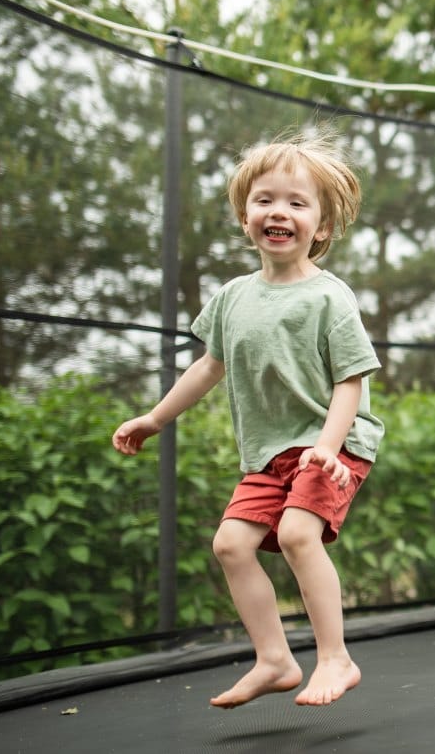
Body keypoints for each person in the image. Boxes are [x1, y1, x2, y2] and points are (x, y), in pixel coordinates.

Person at [112, 130, 384, 708]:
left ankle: (336, 658)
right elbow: (208, 367)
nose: (278, 212)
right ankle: (274, 659)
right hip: (269, 452)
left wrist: (329, 449)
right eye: (264, 200)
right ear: (244, 217)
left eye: (296, 202)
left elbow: (351, 380)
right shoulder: (233, 296)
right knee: (231, 544)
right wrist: (154, 418)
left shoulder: (330, 298)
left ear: (323, 227)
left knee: (295, 533)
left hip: (330, 445)